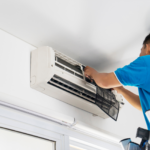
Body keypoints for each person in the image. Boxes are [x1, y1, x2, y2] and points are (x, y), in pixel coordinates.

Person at [84, 33, 150, 130]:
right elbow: (143, 106)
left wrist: (93, 73)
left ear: (148, 47)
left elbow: (104, 81)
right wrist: (122, 90)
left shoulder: (146, 62)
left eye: (141, 51)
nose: (139, 55)